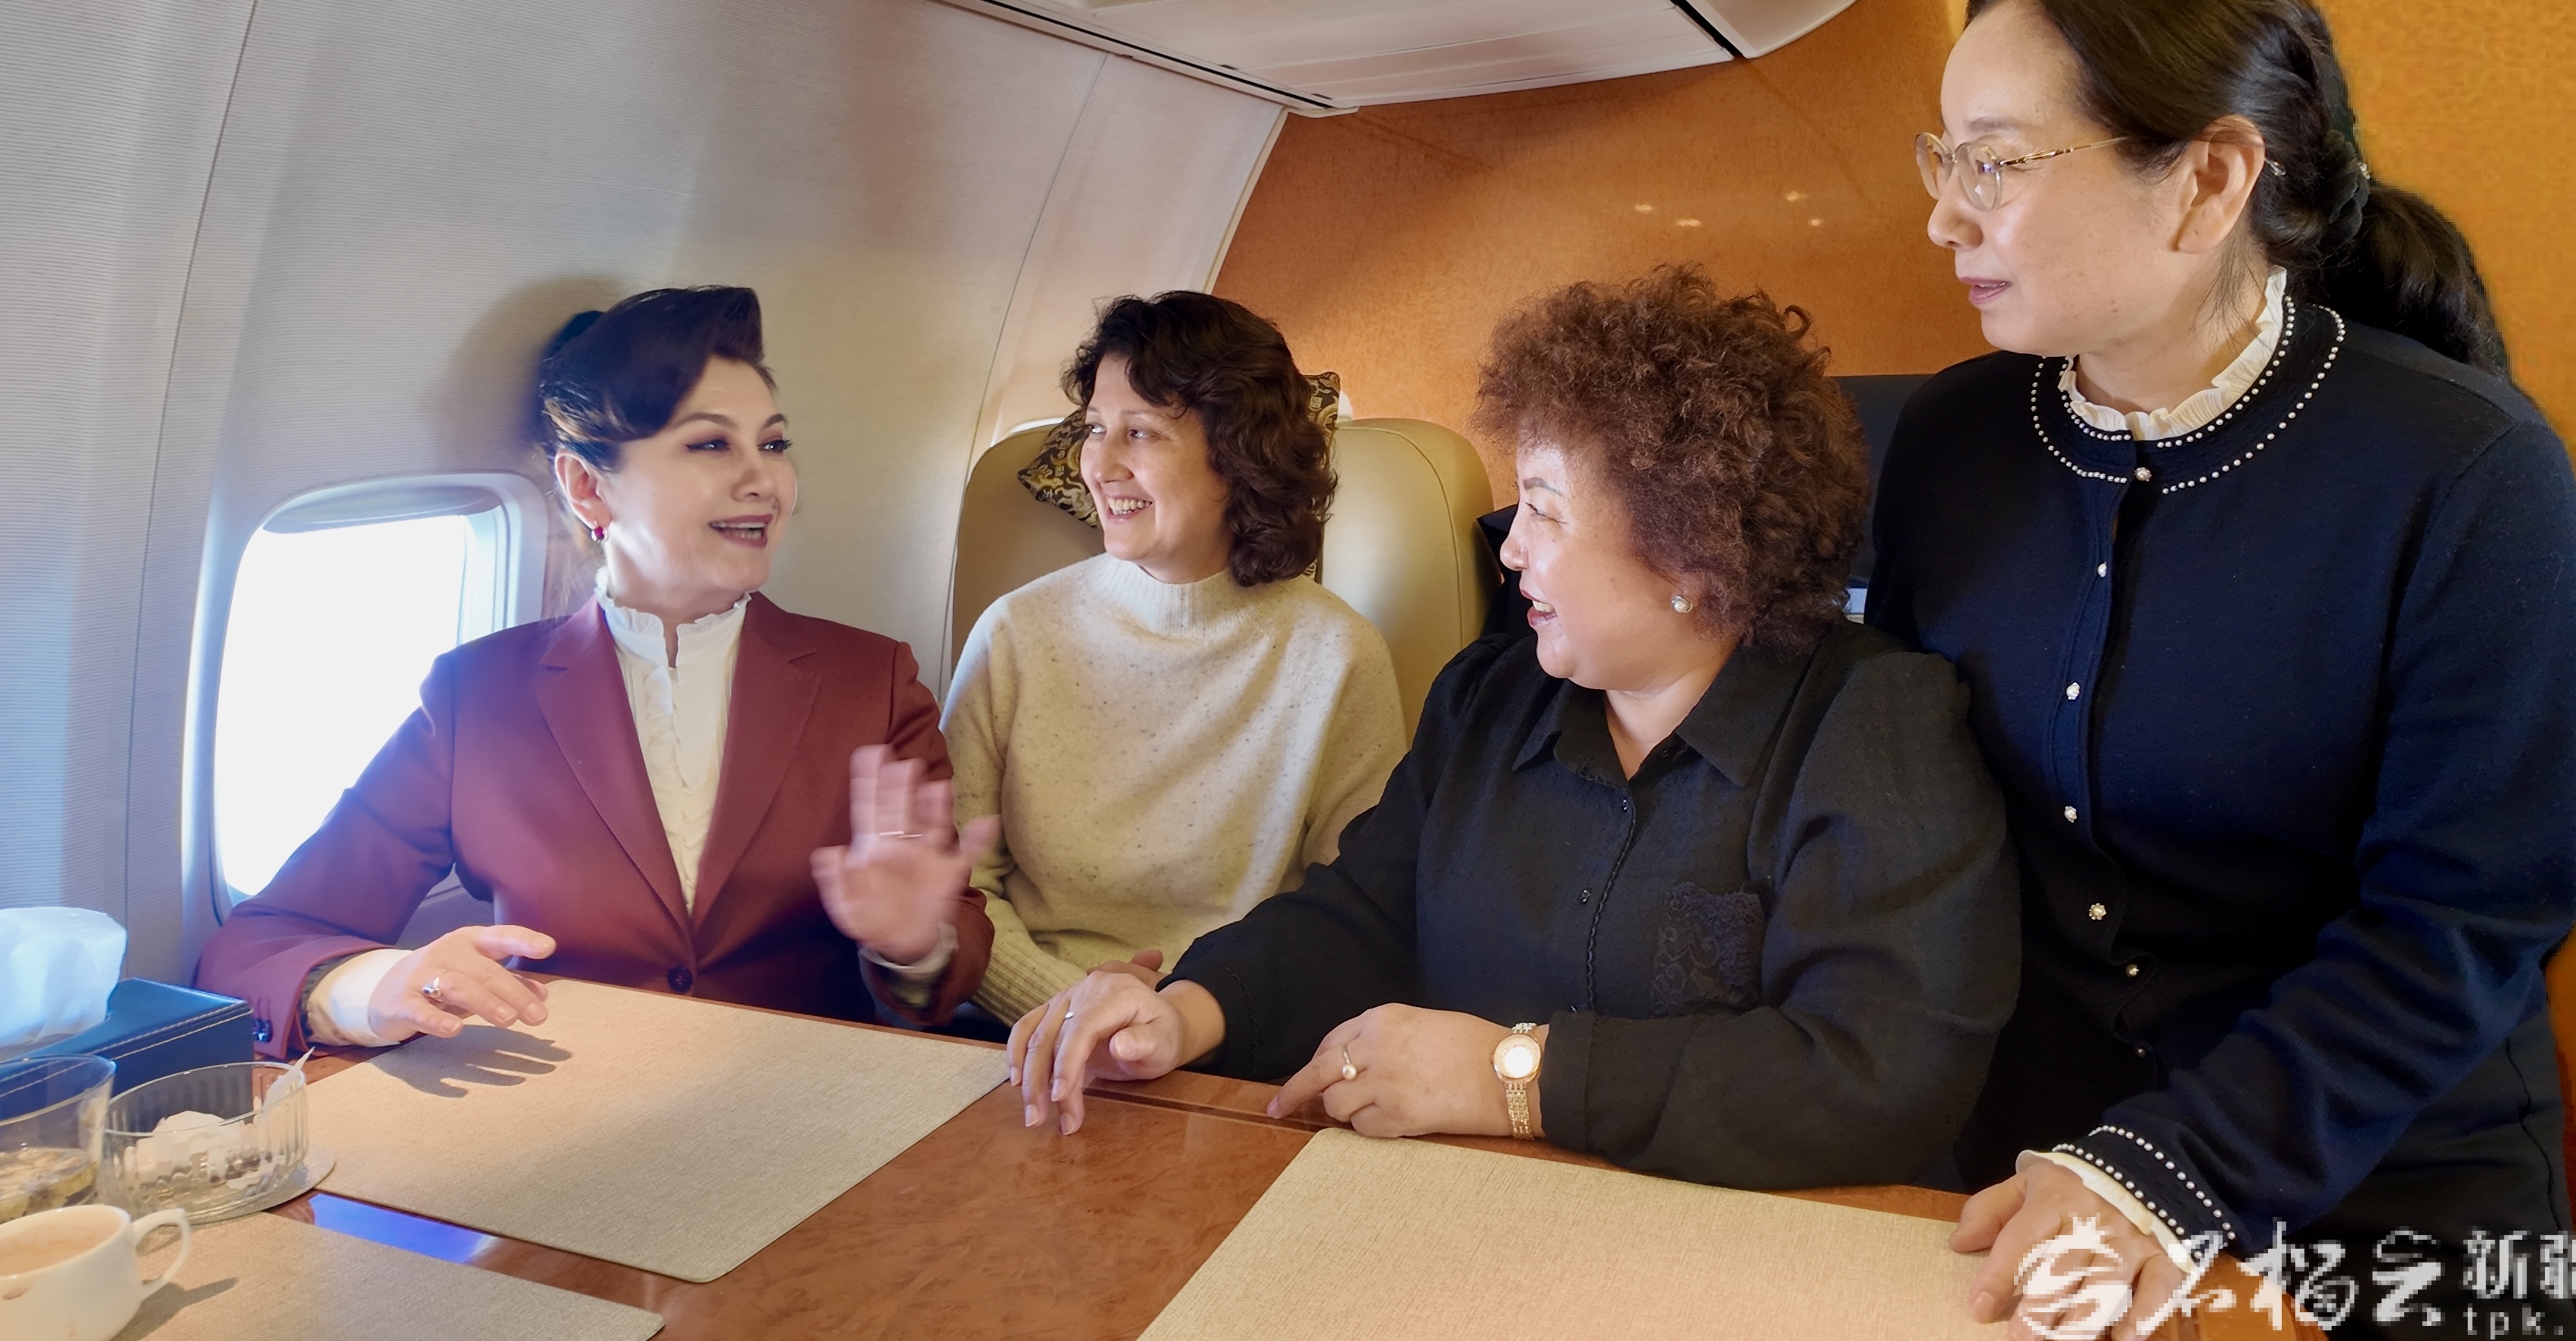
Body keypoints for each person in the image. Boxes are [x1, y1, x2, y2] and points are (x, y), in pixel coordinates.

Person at [1866, 0, 2576, 1340]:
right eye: (1946, 159)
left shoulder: (2466, 471)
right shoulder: (1953, 441)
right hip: (2037, 1179)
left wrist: (2166, 1170)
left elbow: (2461, 919)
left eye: (1996, 162)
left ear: (2206, 180)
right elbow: (1899, 808)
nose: (1947, 215)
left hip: (2380, 1192)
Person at [1005, 267, 2019, 1191]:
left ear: (1690, 549)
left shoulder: (1874, 723)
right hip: (1474, 1215)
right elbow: (1361, 915)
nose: (1511, 549)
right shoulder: (1486, 701)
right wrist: (1186, 1010)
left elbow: (1881, 1073)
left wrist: (1514, 1077)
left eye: (1543, 509)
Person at [197, 286, 996, 1054]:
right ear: (587, 487)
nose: (765, 481)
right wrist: (384, 986)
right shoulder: (477, 698)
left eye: (774, 444)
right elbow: (259, 945)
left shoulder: (872, 683)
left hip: (810, 1108)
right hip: (565, 1109)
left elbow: (951, 964)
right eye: (711, 444)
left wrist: (914, 944)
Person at [904, 292, 1405, 1028]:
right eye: (1095, 428)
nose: (1100, 464)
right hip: (1023, 1030)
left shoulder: (1337, 655)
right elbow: (963, 889)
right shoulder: (1014, 633)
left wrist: (1186, 1022)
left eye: (1139, 433)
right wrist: (1079, 1017)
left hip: (1234, 1030)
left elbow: (1352, 911)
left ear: (1238, 455)